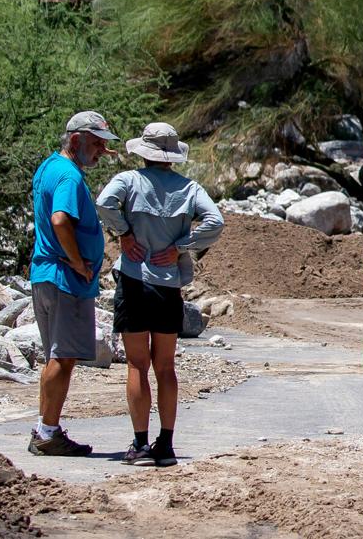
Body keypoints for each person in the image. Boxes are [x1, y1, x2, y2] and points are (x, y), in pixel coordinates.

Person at [95, 122, 224, 467]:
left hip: (135, 281)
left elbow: (104, 203)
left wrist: (123, 233)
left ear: (143, 152)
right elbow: (216, 222)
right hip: (168, 286)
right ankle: (165, 445)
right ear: (172, 156)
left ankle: (139, 445)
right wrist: (182, 246)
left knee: (137, 365)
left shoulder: (128, 181)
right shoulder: (190, 188)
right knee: (165, 367)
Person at [29, 111, 119, 456]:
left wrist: (96, 150)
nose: (101, 151)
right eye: (96, 143)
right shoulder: (69, 176)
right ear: (77, 140)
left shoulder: (51, 167)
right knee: (63, 357)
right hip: (66, 280)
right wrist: (80, 261)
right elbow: (60, 219)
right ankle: (48, 434)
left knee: (55, 357)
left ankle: (44, 427)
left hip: (46, 276)